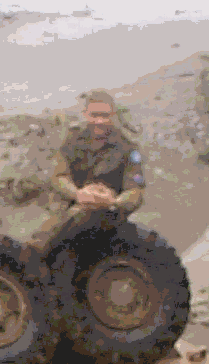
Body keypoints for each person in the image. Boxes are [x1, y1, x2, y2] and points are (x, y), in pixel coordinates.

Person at [29, 88, 146, 252]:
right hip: (72, 208)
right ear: (85, 114)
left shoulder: (128, 148)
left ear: (113, 115)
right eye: (95, 115)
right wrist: (79, 194)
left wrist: (112, 201)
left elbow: (135, 192)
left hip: (109, 215)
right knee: (43, 241)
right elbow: (58, 177)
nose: (99, 121)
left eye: (105, 116)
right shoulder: (72, 142)